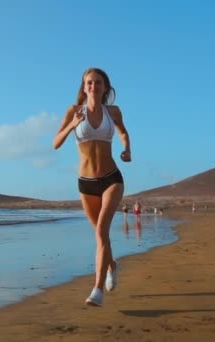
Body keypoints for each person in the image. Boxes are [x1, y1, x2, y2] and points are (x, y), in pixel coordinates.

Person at [53, 67, 131, 307]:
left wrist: (127, 149)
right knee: (101, 235)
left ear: (105, 87)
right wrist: (72, 124)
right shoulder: (73, 111)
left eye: (98, 83)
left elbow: (123, 133)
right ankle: (112, 266)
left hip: (111, 178)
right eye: (89, 83)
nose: (93, 86)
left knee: (100, 233)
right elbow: (56, 143)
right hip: (86, 183)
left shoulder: (113, 112)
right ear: (83, 86)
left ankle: (97, 290)